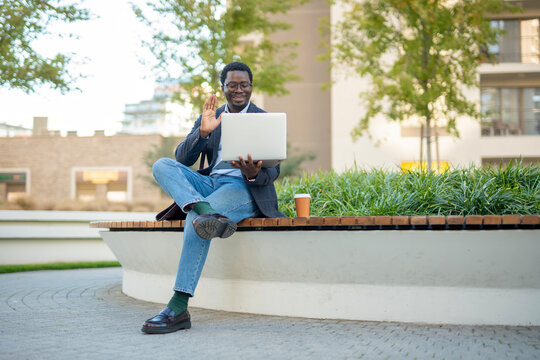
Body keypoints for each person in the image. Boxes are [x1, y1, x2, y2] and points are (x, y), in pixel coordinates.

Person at [141, 61, 285, 334]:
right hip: (209, 183)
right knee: (162, 165)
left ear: (251, 87)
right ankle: (205, 208)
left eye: (244, 85)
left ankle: (178, 306)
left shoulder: (264, 120)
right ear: (223, 88)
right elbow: (182, 158)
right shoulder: (212, 116)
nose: (238, 90)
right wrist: (203, 132)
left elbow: (274, 171)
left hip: (243, 189)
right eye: (232, 85)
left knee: (196, 220)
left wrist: (254, 173)